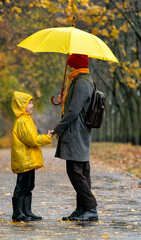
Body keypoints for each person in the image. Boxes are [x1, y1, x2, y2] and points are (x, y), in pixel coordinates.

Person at [52, 54, 98, 221]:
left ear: (75, 66)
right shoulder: (80, 81)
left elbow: (73, 111)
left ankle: (91, 208)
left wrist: (58, 128)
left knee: (75, 171)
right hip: (79, 131)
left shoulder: (81, 83)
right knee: (83, 171)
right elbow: (73, 106)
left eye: (70, 65)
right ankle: (82, 209)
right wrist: (63, 100)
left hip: (76, 131)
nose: (68, 67)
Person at [11, 91, 54, 222]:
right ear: (22, 104)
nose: (32, 105)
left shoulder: (27, 118)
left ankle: (26, 211)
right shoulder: (22, 121)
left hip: (28, 159)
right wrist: (47, 138)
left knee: (29, 185)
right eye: (30, 103)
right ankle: (18, 213)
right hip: (24, 159)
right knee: (22, 185)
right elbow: (32, 140)